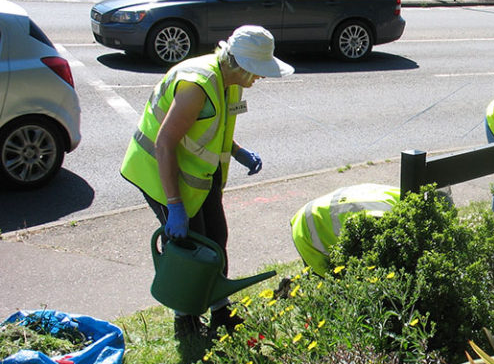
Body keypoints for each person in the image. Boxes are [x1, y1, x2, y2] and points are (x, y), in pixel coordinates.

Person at [121, 25, 294, 340]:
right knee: (190, 247)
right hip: (160, 171)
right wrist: (174, 205)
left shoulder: (232, 81)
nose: (261, 77)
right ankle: (184, 319)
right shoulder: (197, 85)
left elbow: (214, 125)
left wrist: (239, 152)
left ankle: (220, 309)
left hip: (200, 174)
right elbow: (164, 143)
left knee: (215, 238)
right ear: (239, 63)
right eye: (257, 70)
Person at [291, 183, 401, 276]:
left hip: (318, 211)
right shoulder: (384, 220)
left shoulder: (401, 195)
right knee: (329, 283)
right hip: (306, 228)